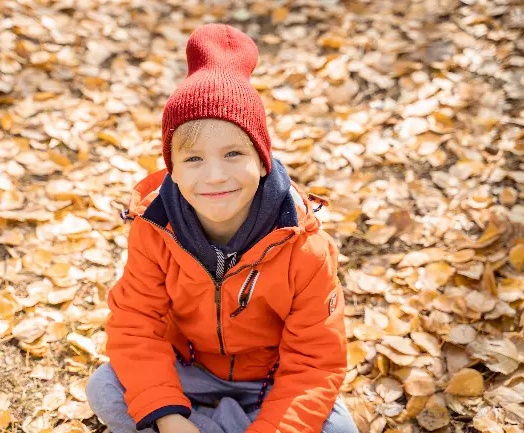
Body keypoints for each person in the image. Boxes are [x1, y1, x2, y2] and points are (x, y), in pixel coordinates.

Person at [85, 23, 358, 433]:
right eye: (193, 159)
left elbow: (314, 361)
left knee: (340, 430)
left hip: (269, 383)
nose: (214, 176)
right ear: (172, 170)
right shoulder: (154, 230)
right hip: (189, 373)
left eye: (233, 153)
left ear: (262, 161)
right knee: (105, 387)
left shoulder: (305, 248)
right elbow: (136, 324)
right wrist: (169, 417)